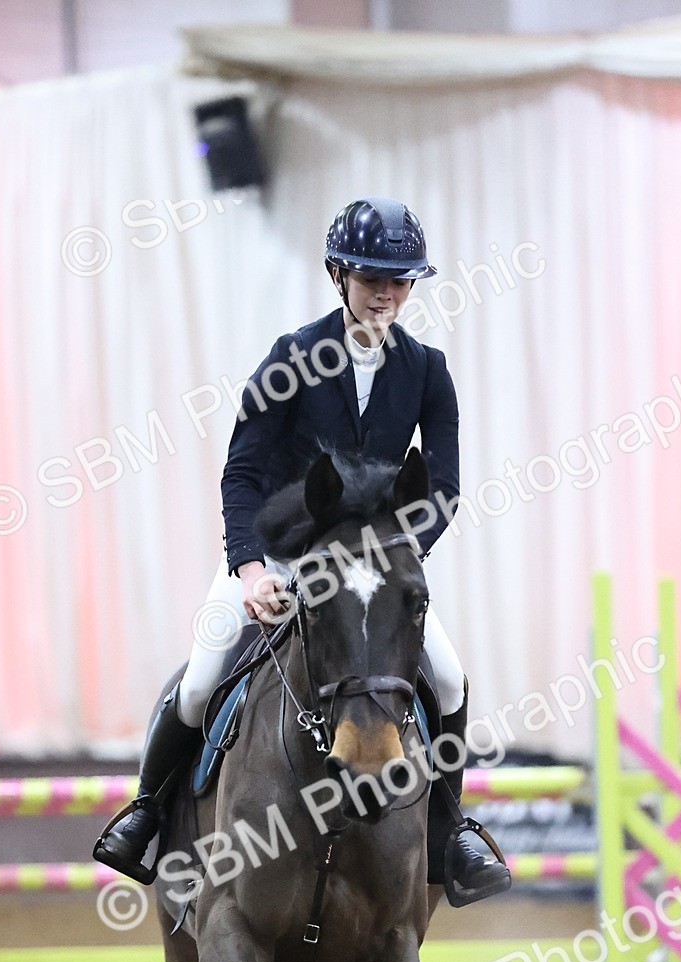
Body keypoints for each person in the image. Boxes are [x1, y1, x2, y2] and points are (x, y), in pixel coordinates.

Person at [93, 196, 510, 903]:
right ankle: (146, 815)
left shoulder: (427, 371)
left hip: (373, 568)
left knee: (448, 680)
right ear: (339, 275)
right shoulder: (292, 358)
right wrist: (252, 570)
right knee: (199, 682)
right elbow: (243, 474)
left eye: (400, 280)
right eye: (372, 278)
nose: (386, 293)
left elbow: (442, 488)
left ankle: (450, 833)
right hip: (283, 559)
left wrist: (395, 557)